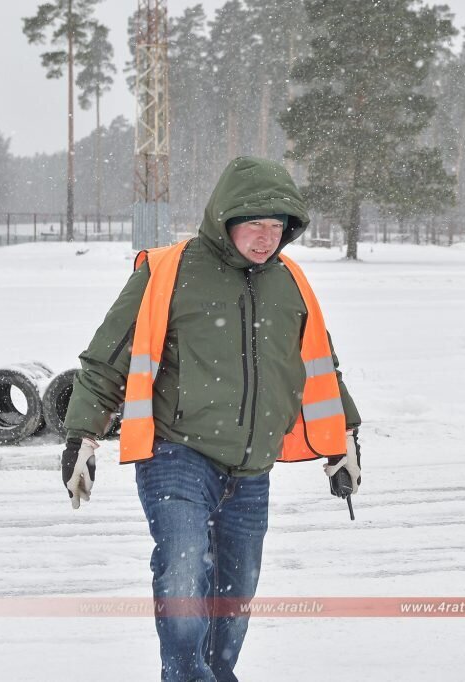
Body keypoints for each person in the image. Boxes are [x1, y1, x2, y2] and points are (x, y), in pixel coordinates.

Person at [60, 156, 362, 681]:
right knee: (182, 573)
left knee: (234, 597)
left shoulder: (291, 282)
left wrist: (344, 442)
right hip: (176, 453)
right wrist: (82, 437)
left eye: (277, 226)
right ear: (226, 218)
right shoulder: (168, 270)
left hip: (253, 468)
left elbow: (319, 367)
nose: (267, 238)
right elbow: (106, 359)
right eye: (255, 224)